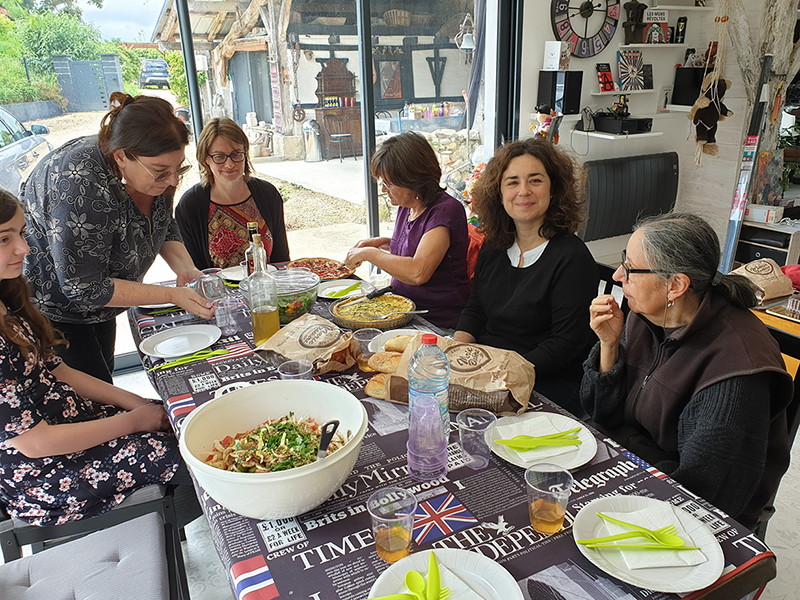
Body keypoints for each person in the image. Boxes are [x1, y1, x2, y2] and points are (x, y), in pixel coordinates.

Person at [582, 213, 793, 528]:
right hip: (632, 468)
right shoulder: (646, 314)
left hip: (692, 516)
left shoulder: (737, 366)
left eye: (631, 269)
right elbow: (597, 411)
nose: (617, 276)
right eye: (624, 261)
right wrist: (609, 345)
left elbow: (704, 494)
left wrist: (621, 454)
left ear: (676, 285)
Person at [0, 187, 195, 527]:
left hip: (71, 423)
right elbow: (34, 442)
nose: (24, 248)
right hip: (46, 473)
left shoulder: (7, 299)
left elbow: (60, 372)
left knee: (185, 414)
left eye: (20, 233)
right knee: (194, 456)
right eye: (5, 239)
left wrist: (137, 403)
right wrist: (133, 421)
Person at [20, 92, 213, 383]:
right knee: (92, 401)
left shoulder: (157, 169)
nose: (173, 181)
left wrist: (186, 269)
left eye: (178, 169)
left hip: (104, 302)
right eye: (162, 173)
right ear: (121, 156)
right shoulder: (78, 182)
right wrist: (172, 295)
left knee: (103, 376)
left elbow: (163, 224)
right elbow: (83, 287)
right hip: (55, 308)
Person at [453, 138, 597, 414]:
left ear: (554, 189)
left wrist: (501, 375)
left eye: (535, 180)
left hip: (548, 380)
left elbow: (564, 345)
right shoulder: (494, 244)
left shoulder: (572, 258)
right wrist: (454, 352)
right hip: (493, 367)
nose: (524, 191)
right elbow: (476, 308)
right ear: (499, 192)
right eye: (512, 182)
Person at [344, 132, 469, 329]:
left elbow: (418, 272)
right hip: (403, 309)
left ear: (413, 179)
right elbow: (411, 246)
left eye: (389, 183)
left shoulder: (446, 211)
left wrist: (370, 253)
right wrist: (380, 243)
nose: (384, 189)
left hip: (435, 320)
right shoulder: (408, 204)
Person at [176, 117, 290, 270]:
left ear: (245, 154)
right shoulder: (190, 205)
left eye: (236, 154)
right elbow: (195, 271)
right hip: (215, 293)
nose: (229, 164)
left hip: (265, 290)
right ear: (205, 159)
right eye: (219, 157)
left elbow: (281, 261)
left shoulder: (268, 194)